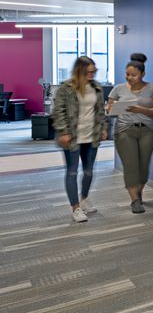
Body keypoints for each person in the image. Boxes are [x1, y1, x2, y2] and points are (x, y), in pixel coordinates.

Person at [52, 56, 107, 223]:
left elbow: (100, 111)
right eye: (88, 71)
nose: (91, 74)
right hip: (72, 137)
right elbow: (59, 111)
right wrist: (63, 132)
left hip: (92, 136)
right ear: (79, 70)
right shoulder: (66, 88)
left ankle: (84, 199)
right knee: (72, 171)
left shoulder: (96, 87)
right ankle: (75, 208)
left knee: (89, 171)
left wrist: (104, 128)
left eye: (93, 71)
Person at [108, 53, 153, 214]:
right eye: (127, 74)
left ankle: (138, 193)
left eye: (134, 75)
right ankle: (135, 200)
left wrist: (138, 109)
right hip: (124, 130)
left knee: (143, 166)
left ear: (143, 74)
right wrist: (113, 108)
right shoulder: (118, 89)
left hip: (148, 130)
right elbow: (110, 109)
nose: (129, 77)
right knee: (131, 166)